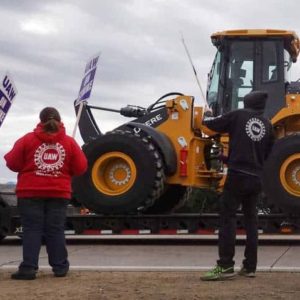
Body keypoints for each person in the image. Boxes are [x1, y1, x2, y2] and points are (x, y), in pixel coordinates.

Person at [4, 107, 87, 280]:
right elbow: (81, 167)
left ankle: (28, 269)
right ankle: (60, 267)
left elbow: (12, 163)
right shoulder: (69, 142)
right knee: (55, 230)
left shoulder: (27, 140)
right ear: (60, 120)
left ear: (40, 121)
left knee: (32, 230)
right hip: (59, 193)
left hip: (30, 192)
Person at [200, 91, 274, 281]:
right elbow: (266, 153)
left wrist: (207, 115)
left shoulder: (238, 115)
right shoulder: (267, 124)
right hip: (256, 178)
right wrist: (227, 158)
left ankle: (225, 265)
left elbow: (210, 125)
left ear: (247, 102)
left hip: (237, 176)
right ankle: (250, 267)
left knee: (228, 218)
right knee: (251, 221)